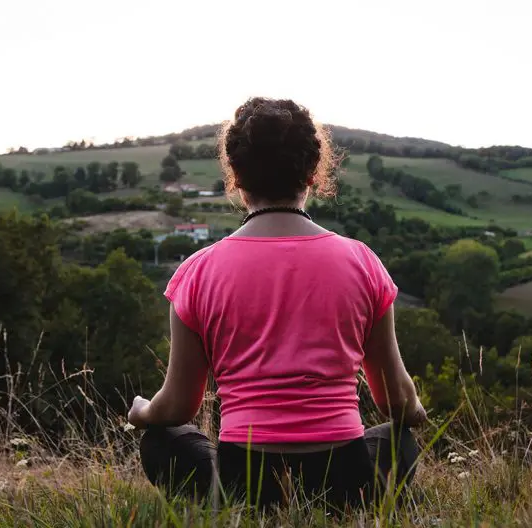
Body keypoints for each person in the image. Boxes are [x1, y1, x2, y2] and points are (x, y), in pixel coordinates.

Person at [127, 97, 427, 509]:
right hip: (346, 483)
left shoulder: (198, 271)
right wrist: (413, 410)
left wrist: (142, 413)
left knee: (162, 439)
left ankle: (235, 508)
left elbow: (178, 406)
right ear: (312, 173)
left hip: (244, 483)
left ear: (235, 174)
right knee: (400, 441)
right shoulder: (363, 262)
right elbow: (396, 401)